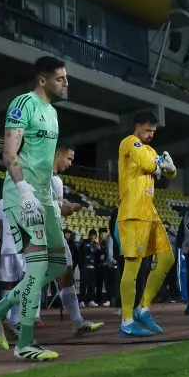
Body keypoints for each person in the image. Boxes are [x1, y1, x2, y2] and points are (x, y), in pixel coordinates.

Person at [0, 56, 68, 361]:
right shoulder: (23, 103)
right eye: (60, 78)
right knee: (39, 265)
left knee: (59, 264)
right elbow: (8, 152)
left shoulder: (53, 113)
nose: (66, 83)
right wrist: (23, 189)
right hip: (22, 195)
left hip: (43, 197)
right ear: (42, 80)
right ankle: (25, 342)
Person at [112, 111, 177, 336]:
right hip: (132, 212)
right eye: (148, 130)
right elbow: (149, 165)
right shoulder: (130, 142)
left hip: (149, 212)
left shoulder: (149, 149)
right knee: (132, 268)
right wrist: (160, 164)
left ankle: (143, 308)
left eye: (153, 131)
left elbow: (170, 173)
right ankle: (127, 321)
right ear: (137, 126)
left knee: (168, 258)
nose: (151, 135)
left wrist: (165, 166)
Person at [49, 144, 104, 335]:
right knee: (35, 280)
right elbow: (54, 210)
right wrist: (70, 208)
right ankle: (2, 315)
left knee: (66, 276)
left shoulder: (53, 179)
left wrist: (68, 207)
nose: (71, 163)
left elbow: (56, 209)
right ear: (57, 154)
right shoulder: (48, 178)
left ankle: (78, 321)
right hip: (47, 234)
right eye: (69, 158)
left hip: (52, 232)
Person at [0, 197, 24, 329]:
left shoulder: (28, 198)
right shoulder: (2, 201)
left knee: (23, 283)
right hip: (7, 249)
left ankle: (17, 319)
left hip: (23, 249)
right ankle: (7, 316)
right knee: (6, 284)